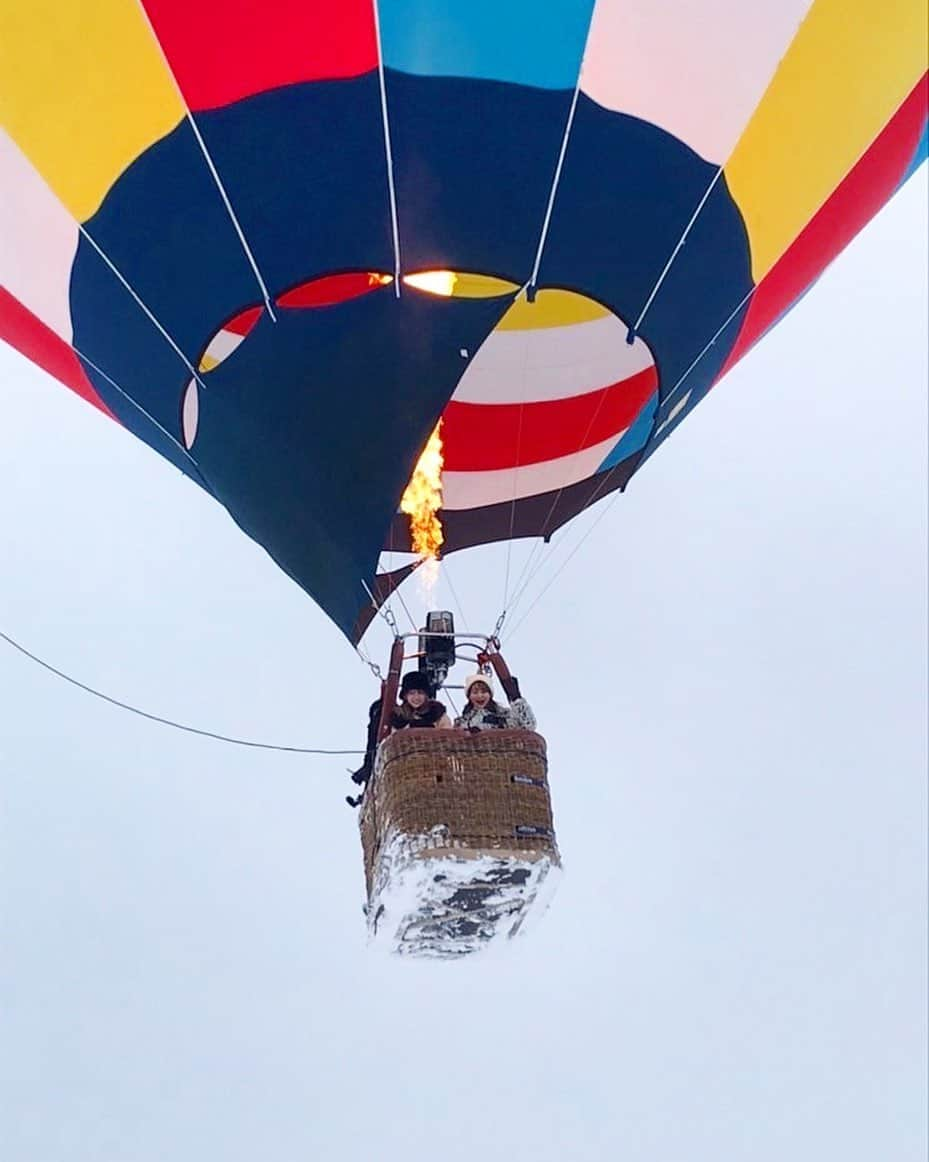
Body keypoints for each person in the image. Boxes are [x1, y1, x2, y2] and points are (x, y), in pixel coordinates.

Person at [454, 671, 536, 732]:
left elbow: (528, 726)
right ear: (469, 696)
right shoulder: (462, 721)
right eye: (475, 692)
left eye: (484, 691)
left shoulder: (501, 716)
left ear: (490, 694)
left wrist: (516, 698)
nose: (480, 695)